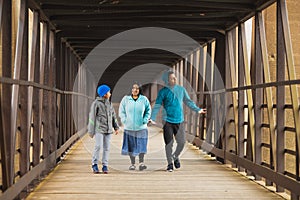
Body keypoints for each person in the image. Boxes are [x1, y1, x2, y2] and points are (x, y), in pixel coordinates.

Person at [150, 70, 206, 172]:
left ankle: (175, 156)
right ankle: (170, 164)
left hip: (179, 120)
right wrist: (152, 118)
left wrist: (198, 109)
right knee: (169, 143)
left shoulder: (181, 90)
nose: (174, 79)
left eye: (175, 77)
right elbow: (157, 104)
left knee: (181, 142)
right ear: (167, 80)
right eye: (172, 78)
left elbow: (188, 101)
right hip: (167, 121)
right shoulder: (163, 92)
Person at [119, 83, 151, 171]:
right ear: (131, 89)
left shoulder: (144, 99)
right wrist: (124, 120)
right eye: (133, 88)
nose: (135, 90)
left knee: (141, 145)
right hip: (129, 127)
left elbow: (148, 110)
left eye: (137, 88)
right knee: (131, 146)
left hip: (141, 127)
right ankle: (132, 164)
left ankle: (141, 163)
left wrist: (145, 119)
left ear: (140, 90)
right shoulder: (126, 99)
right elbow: (121, 111)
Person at [88, 84, 119, 174]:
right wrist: (91, 131)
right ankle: (95, 164)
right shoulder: (96, 104)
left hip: (108, 129)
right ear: (104, 94)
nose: (110, 93)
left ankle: (105, 165)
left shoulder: (109, 104)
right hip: (99, 129)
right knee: (98, 146)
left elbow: (113, 116)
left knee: (107, 148)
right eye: (109, 92)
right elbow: (92, 117)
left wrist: (116, 127)